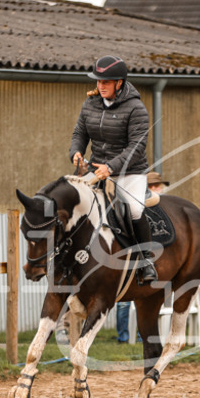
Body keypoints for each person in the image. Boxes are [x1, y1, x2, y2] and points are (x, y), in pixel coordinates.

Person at [70, 55, 157, 284]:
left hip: (129, 171)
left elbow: (136, 147)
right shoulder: (90, 103)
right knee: (73, 202)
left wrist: (111, 167)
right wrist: (76, 153)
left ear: (119, 83)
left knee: (134, 210)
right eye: (98, 82)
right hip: (97, 168)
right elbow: (80, 133)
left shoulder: (136, 108)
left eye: (106, 82)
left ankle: (146, 260)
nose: (100, 86)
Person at [115, 171, 169, 342]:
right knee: (124, 303)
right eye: (151, 186)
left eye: (156, 185)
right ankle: (123, 337)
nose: (155, 188)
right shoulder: (129, 207)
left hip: (150, 259)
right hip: (129, 258)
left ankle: (140, 335)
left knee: (146, 299)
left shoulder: (164, 211)